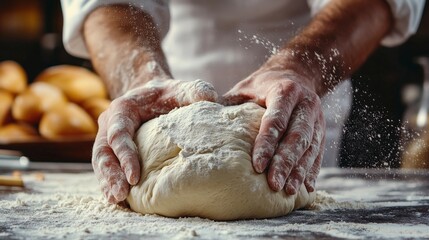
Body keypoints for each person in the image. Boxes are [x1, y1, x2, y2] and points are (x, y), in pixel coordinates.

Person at [61, 0, 425, 203]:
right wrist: (140, 77)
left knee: (287, 189)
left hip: (296, 106)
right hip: (166, 105)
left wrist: (297, 70)